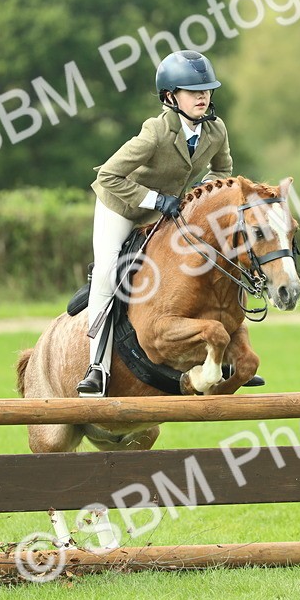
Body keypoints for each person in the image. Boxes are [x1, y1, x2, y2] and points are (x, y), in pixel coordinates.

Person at [75, 49, 233, 397]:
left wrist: (198, 197)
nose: (203, 96)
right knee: (106, 271)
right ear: (170, 96)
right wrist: (156, 200)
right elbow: (108, 175)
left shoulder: (216, 130)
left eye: (206, 90)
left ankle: (221, 360)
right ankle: (96, 368)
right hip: (121, 207)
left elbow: (222, 172)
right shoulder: (156, 132)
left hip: (168, 211)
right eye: (193, 91)